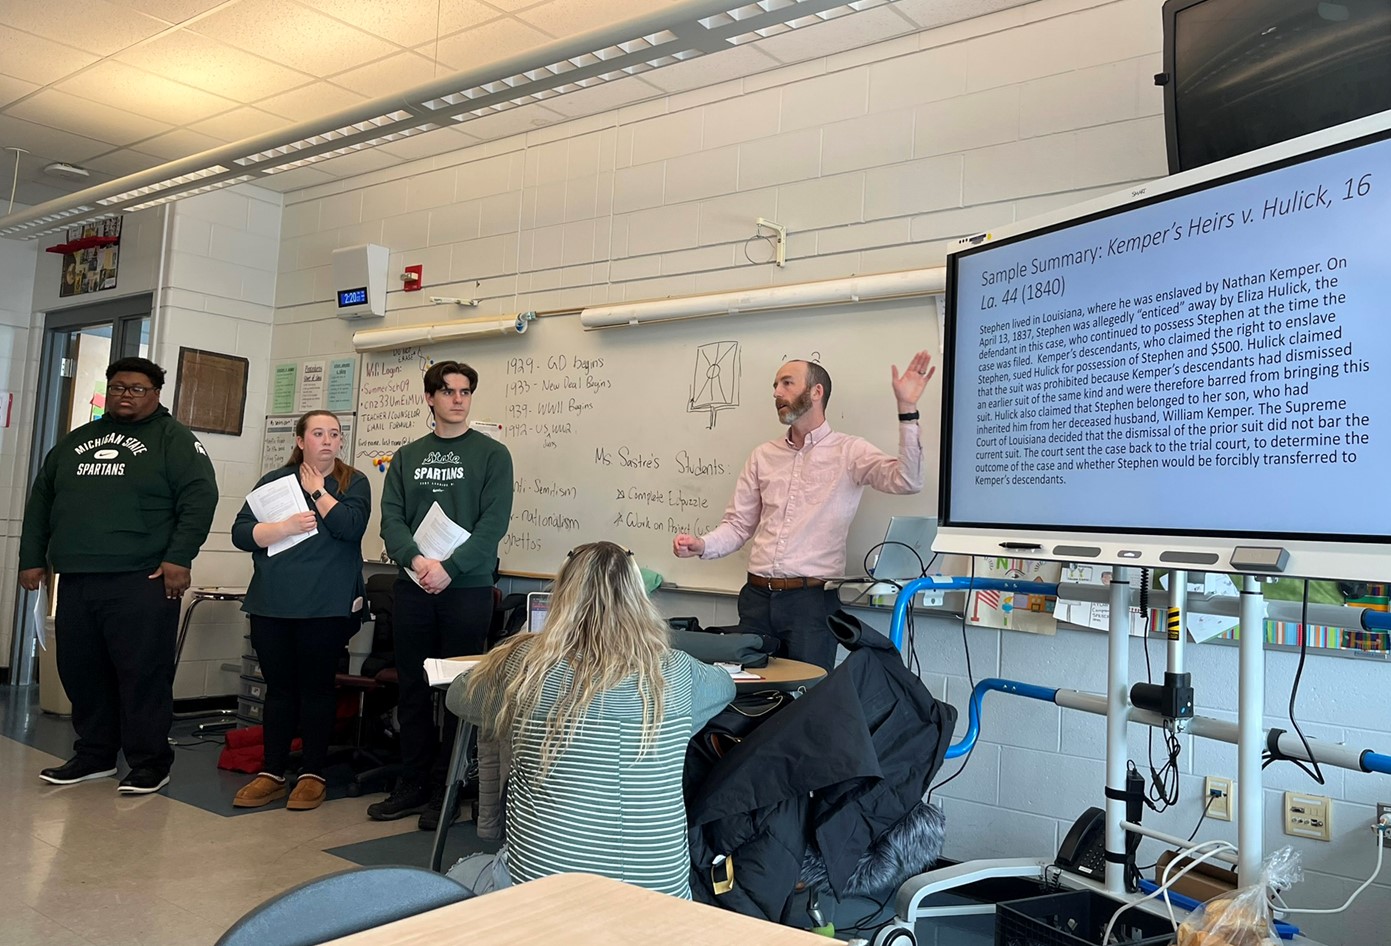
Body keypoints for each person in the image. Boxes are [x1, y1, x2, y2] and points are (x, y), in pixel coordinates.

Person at [445, 541, 736, 898]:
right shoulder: (678, 673)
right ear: (639, 600)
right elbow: (726, 688)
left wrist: (522, 652)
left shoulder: (524, 668)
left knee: (462, 871)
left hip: (543, 898)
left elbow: (459, 696)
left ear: (562, 597)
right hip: (662, 901)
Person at [19, 356, 218, 794]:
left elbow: (200, 499)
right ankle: (94, 755)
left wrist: (179, 559)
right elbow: (41, 501)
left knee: (141, 673)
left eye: (136, 389)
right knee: (81, 670)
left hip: (142, 578)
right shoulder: (77, 442)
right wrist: (32, 558)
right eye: (118, 387)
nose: (125, 395)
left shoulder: (175, 441)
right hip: (78, 577)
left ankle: (149, 762)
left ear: (155, 394)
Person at [673, 352, 934, 671]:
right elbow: (739, 526)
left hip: (811, 603)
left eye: (786, 383)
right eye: (775, 385)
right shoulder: (762, 456)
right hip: (756, 599)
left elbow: (908, 480)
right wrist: (703, 545)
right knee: (749, 697)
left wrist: (907, 409)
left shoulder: (849, 451)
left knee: (805, 701)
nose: (776, 393)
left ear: (816, 392)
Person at [368, 360, 514, 830]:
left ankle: (447, 788)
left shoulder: (493, 455)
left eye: (465, 392)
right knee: (412, 687)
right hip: (413, 586)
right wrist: (416, 562)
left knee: (457, 690)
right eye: (448, 391)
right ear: (430, 398)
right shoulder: (408, 456)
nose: (457, 399)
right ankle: (411, 782)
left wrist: (450, 568)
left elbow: (493, 524)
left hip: (466, 589)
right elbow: (392, 518)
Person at [230, 410, 370, 811]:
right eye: (318, 433)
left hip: (325, 606)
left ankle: (312, 774)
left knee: (317, 689)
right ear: (300, 440)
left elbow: (350, 527)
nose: (328, 440)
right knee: (280, 689)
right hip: (273, 603)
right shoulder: (273, 482)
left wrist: (318, 492)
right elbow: (242, 533)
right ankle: (272, 772)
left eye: (335, 434)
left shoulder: (352, 481)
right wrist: (282, 528)